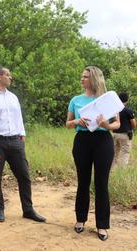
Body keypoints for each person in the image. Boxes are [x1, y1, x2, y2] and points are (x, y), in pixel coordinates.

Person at [0, 66, 46, 223]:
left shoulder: (13, 97)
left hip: (15, 141)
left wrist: (22, 136)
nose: (11, 77)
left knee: (24, 175)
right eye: (8, 75)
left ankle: (28, 210)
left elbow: (18, 118)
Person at [66, 66, 120, 241]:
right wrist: (75, 121)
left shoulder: (108, 99)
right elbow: (67, 124)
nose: (82, 79)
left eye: (85, 77)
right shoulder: (75, 99)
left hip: (103, 142)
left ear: (94, 79)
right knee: (83, 181)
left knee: (101, 183)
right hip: (82, 140)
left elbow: (117, 124)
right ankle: (80, 219)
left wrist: (106, 125)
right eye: (82, 76)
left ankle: (102, 224)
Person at [112, 92, 136, 166]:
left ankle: (112, 170)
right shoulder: (128, 110)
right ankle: (122, 171)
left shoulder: (114, 110)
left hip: (114, 133)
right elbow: (133, 124)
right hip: (125, 134)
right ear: (127, 100)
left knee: (114, 153)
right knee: (125, 153)